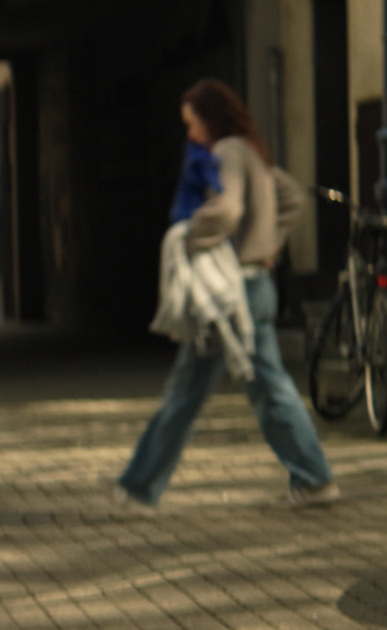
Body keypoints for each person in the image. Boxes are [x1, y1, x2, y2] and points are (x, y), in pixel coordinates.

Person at [113, 80, 338, 512]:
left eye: (192, 124)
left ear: (210, 118)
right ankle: (314, 479)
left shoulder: (225, 154)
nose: (190, 135)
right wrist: (269, 244)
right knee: (265, 387)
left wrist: (186, 236)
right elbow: (290, 197)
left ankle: (138, 488)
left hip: (231, 295)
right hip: (255, 288)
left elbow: (229, 208)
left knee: (191, 391)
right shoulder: (249, 150)